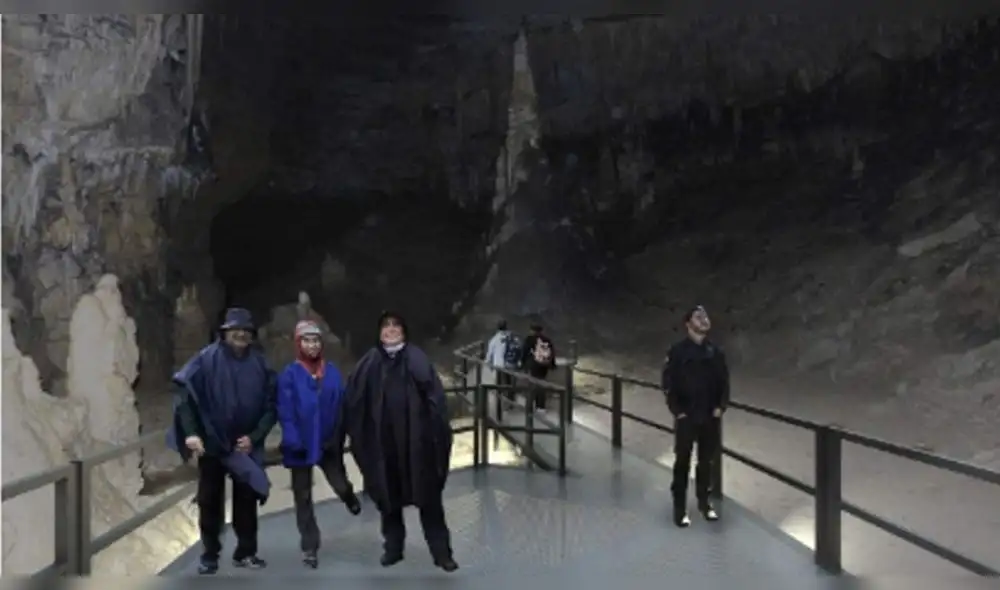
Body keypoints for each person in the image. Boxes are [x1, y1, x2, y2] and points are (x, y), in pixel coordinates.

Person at [335, 311, 458, 572]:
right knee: (388, 500)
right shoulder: (369, 363)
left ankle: (442, 553)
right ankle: (393, 548)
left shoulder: (417, 359)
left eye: (396, 326)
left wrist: (436, 435)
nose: (390, 330)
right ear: (379, 332)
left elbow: (435, 400)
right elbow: (353, 401)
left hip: (416, 445)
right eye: (385, 326)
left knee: (429, 501)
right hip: (383, 445)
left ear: (404, 331)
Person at [167, 307, 277, 575]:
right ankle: (210, 554)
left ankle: (246, 552)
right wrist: (191, 432)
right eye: (235, 330)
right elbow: (184, 395)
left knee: (247, 500)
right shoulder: (206, 360)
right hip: (212, 444)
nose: (240, 334)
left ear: (251, 335)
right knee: (209, 501)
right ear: (225, 333)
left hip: (245, 446)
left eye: (245, 331)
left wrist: (255, 436)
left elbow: (272, 405)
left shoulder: (260, 364)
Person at [276, 320, 362, 569]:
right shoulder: (290, 375)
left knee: (338, 481)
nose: (312, 345)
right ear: (298, 343)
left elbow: (341, 403)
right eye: (306, 340)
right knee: (302, 497)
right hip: (300, 446)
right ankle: (310, 546)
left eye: (315, 341)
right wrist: (293, 440)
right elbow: (286, 411)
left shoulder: (332, 371)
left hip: (328, 442)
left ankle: (348, 495)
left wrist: (339, 434)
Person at [662, 305, 730, 528]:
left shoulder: (715, 352)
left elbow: (724, 382)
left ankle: (704, 502)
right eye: (698, 317)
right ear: (688, 323)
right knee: (682, 461)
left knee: (706, 463)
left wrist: (721, 406)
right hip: (687, 417)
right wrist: (678, 411)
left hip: (710, 416)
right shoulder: (677, 351)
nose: (704, 320)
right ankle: (679, 507)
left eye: (706, 316)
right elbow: (668, 382)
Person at [520, 323, 556, 413]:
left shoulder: (529, 339)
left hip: (533, 365)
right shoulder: (547, 340)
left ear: (532, 330)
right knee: (541, 384)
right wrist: (552, 364)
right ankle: (541, 407)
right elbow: (552, 353)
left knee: (532, 384)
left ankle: (530, 406)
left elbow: (524, 352)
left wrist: (522, 364)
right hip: (544, 366)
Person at [485, 319, 519, 396]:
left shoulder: (494, 339)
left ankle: (499, 404)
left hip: (499, 366)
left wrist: (489, 366)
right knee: (510, 386)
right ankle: (510, 403)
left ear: (497, 327)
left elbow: (489, 356)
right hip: (511, 365)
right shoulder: (512, 337)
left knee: (499, 386)